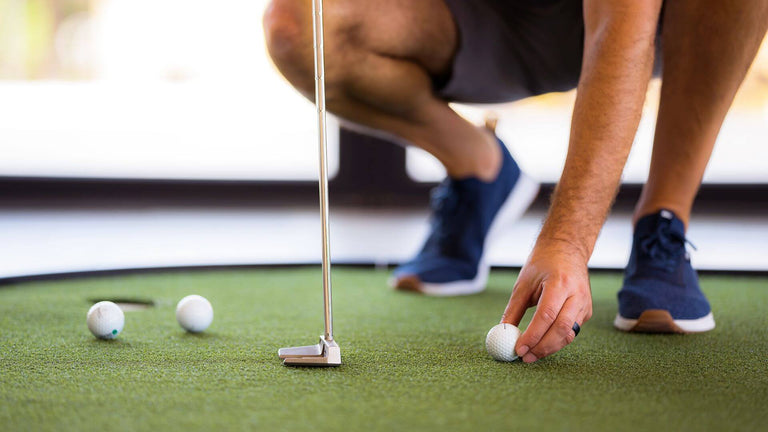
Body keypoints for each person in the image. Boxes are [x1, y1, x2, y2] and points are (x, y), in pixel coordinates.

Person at [263, 0, 768, 363]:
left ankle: (664, 218)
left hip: (648, 17)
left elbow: (621, 23)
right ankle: (482, 171)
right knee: (298, 25)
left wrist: (567, 241)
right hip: (486, 19)